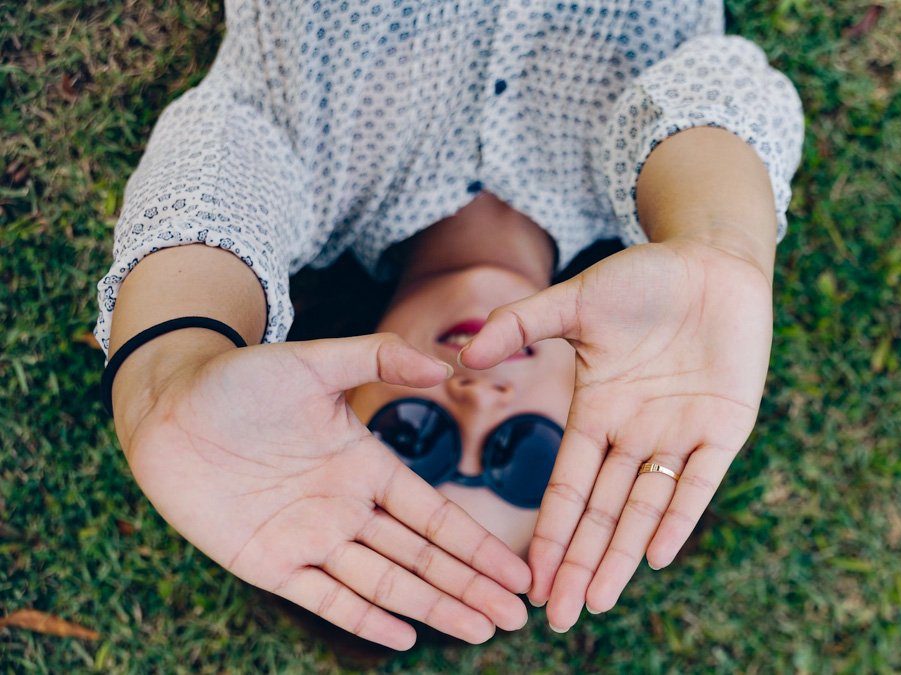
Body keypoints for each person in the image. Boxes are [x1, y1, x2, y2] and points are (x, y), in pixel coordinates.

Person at [97, 0, 805, 651]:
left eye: (412, 440)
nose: (475, 401)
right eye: (526, 453)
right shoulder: (656, 190)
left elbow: (218, 178)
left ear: (333, 407)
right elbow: (719, 93)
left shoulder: (306, 169)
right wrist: (721, 242)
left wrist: (165, 373)